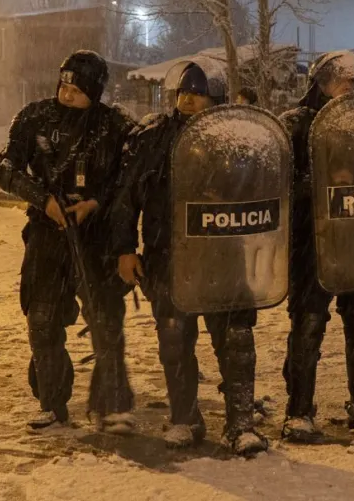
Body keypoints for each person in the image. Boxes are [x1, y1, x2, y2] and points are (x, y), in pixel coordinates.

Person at [112, 61, 269, 456]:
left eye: (197, 93)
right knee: (174, 338)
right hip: (168, 257)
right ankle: (185, 418)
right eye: (183, 91)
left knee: (234, 339)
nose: (187, 98)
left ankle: (241, 424)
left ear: (214, 97)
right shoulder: (153, 137)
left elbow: (262, 190)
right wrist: (125, 249)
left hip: (224, 255)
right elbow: (126, 198)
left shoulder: (238, 138)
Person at [0, 50, 136, 432]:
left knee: (103, 318)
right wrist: (43, 199)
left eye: (77, 88)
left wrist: (96, 202)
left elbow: (129, 181)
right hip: (46, 232)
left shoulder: (115, 126)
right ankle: (53, 402)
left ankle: (113, 402)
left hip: (95, 237)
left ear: (95, 91)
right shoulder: (34, 117)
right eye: (64, 85)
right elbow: (5, 167)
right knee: (42, 319)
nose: (68, 93)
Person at [279, 50, 354, 443]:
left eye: (353, 81)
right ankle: (298, 412)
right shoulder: (295, 126)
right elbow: (278, 188)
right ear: (321, 83)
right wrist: (323, 179)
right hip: (310, 243)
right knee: (309, 325)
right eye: (340, 80)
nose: (348, 87)